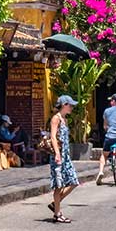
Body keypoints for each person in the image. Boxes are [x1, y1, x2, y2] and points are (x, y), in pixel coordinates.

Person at [49, 95, 79, 223]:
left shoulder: (65, 119)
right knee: (58, 185)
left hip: (66, 156)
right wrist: (57, 154)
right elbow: (53, 137)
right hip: (59, 155)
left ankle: (55, 204)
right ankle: (57, 213)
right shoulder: (56, 119)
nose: (71, 108)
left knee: (73, 181)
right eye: (70, 105)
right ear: (64, 105)